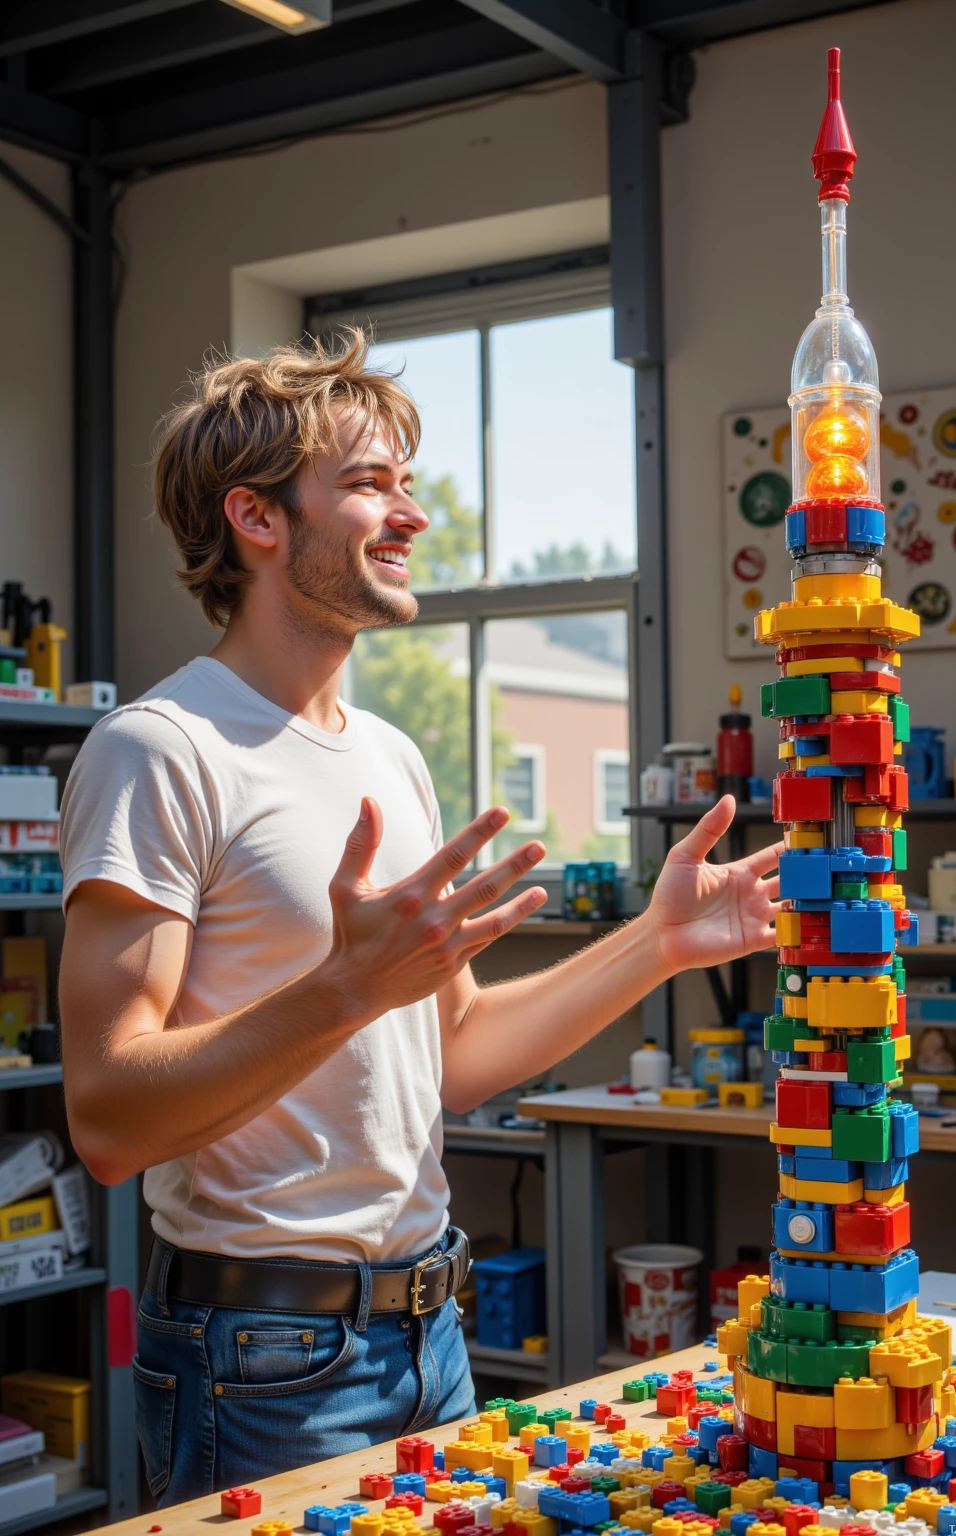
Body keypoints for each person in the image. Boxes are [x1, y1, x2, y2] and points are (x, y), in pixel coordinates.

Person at [59, 334, 780, 1507]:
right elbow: (107, 1117)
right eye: (369, 484)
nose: (410, 515)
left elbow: (453, 1059)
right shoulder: (160, 749)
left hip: (429, 1338)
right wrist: (344, 989)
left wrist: (658, 943)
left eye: (407, 483)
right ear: (255, 516)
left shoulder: (388, 754)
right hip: (262, 1365)